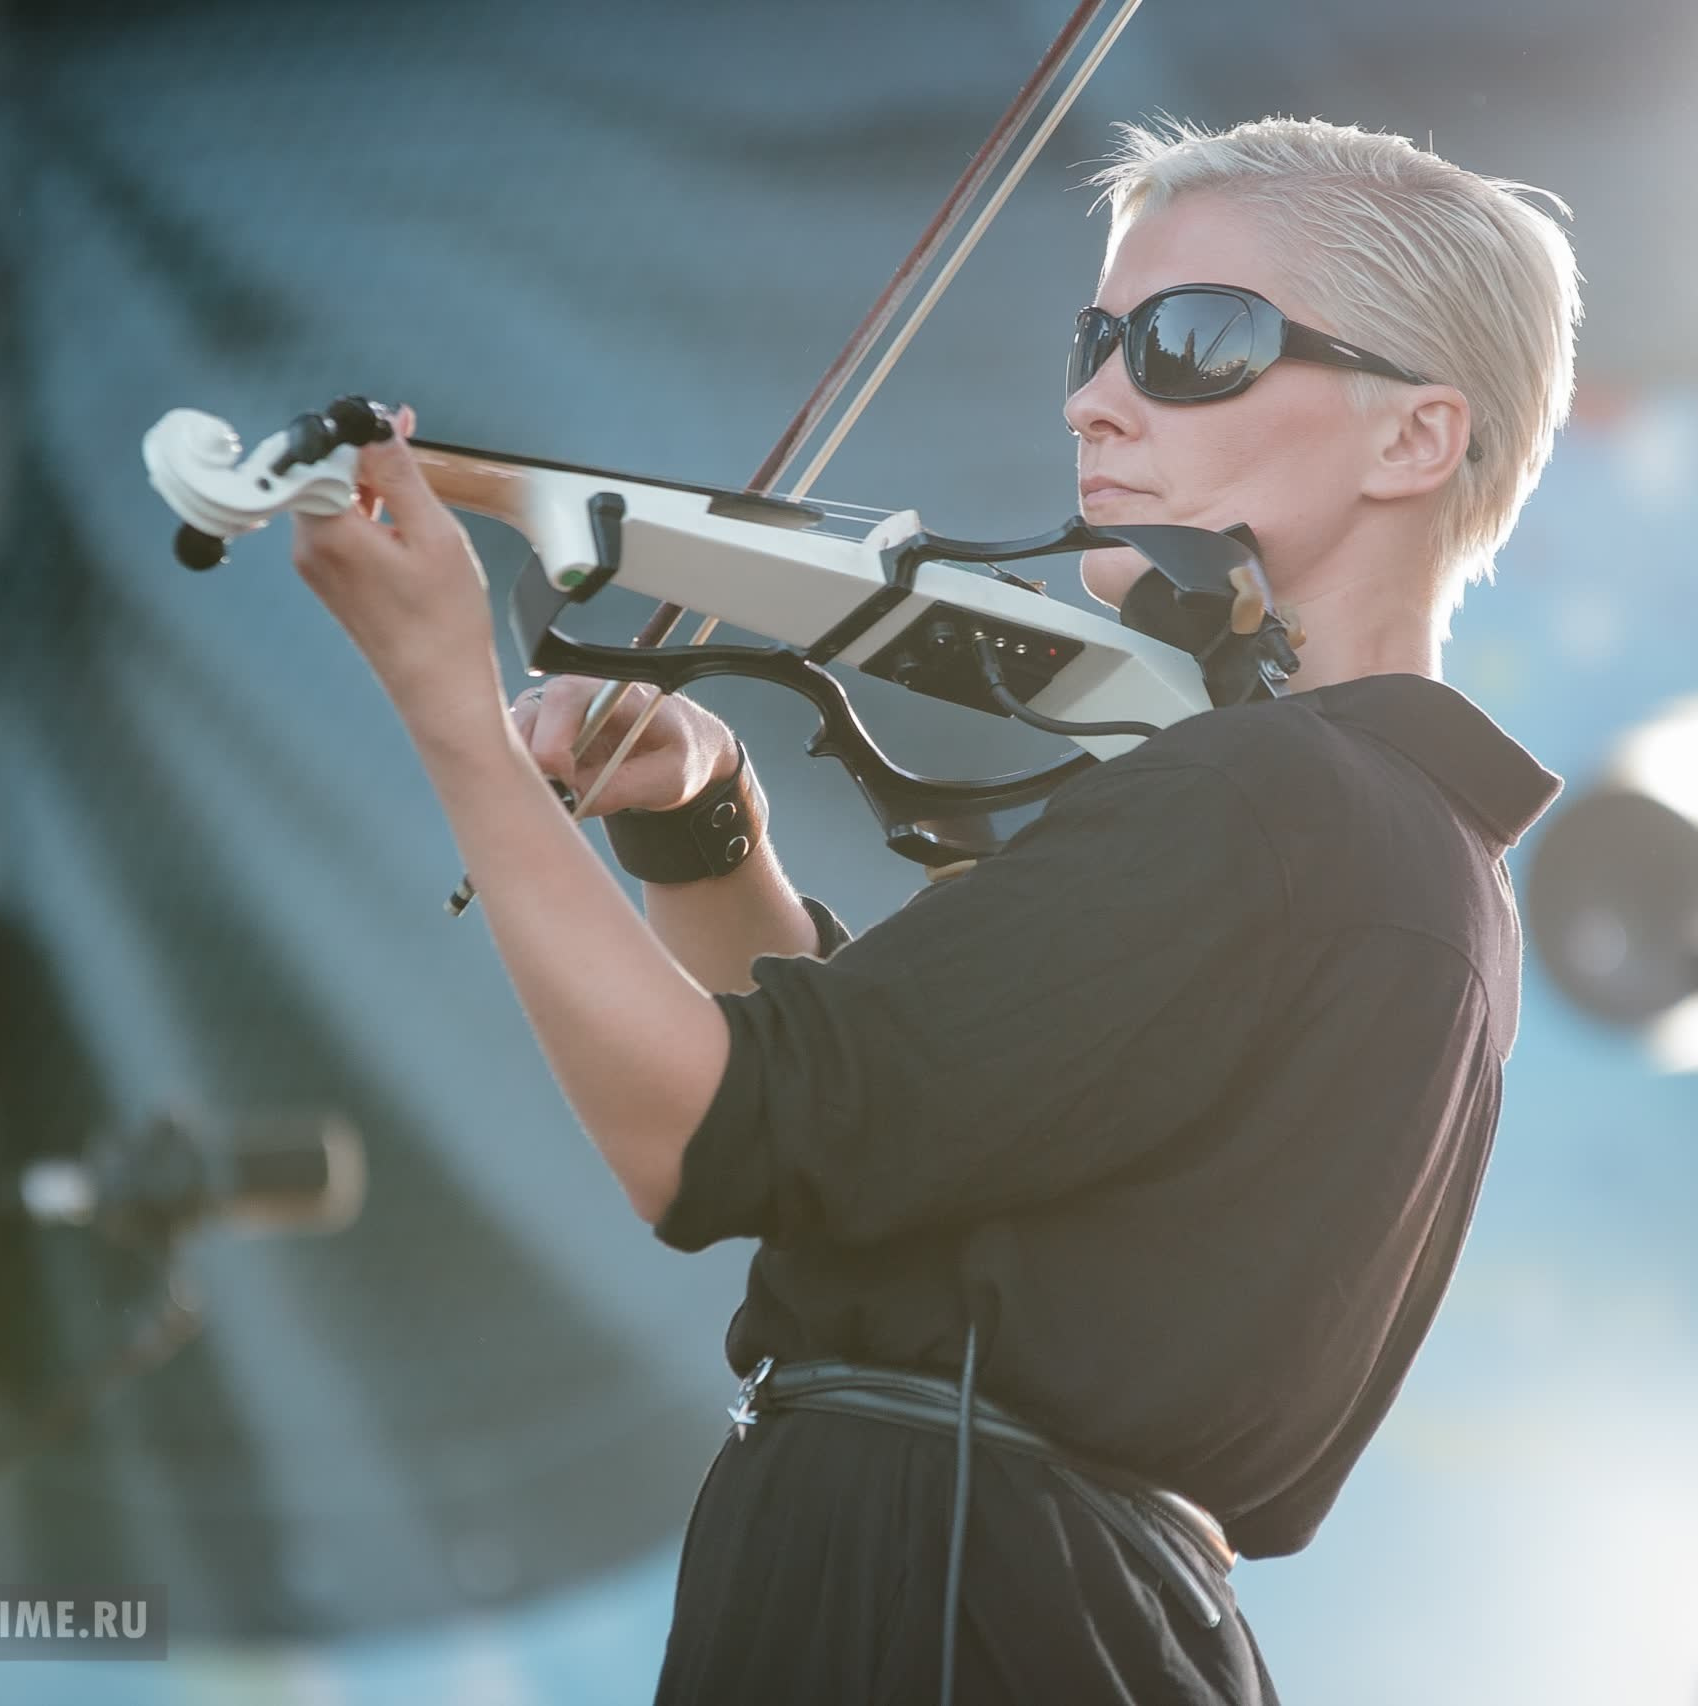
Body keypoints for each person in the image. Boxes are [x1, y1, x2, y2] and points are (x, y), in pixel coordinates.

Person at [291, 116, 1580, 1704]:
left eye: (1195, 343)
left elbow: (713, 1135)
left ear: (1416, 439)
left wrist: (449, 702)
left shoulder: (1276, 800)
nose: (1092, 401)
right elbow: (885, 1149)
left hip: (941, 1598)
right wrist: (705, 836)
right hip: (1062, 1604)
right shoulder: (1414, 846)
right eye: (1095, 342)